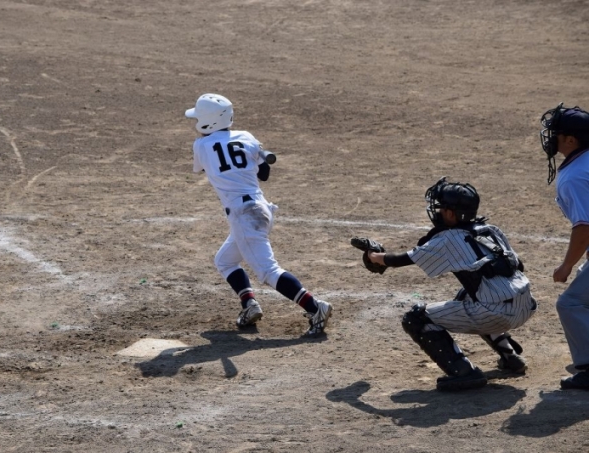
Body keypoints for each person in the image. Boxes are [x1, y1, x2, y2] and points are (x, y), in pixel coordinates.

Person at [364, 177, 537, 391]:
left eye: (441, 208)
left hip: (495, 314)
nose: (437, 212)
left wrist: (373, 256)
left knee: (416, 318)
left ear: (451, 213)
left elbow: (402, 259)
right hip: (526, 305)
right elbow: (518, 266)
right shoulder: (491, 230)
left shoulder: (447, 239)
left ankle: (464, 372)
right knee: (466, 295)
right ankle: (510, 357)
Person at [184, 93, 332, 336]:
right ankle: (249, 305)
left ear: (208, 121)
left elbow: (205, 166)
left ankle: (315, 308)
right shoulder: (247, 137)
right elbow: (264, 174)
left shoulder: (201, 146)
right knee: (225, 261)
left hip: (244, 216)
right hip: (260, 210)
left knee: (268, 271)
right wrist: (257, 152)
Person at [539, 103, 589, 390]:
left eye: (555, 133)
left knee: (570, 303)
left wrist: (567, 265)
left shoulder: (575, 176)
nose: (550, 138)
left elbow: (584, 227)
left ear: (570, 140)